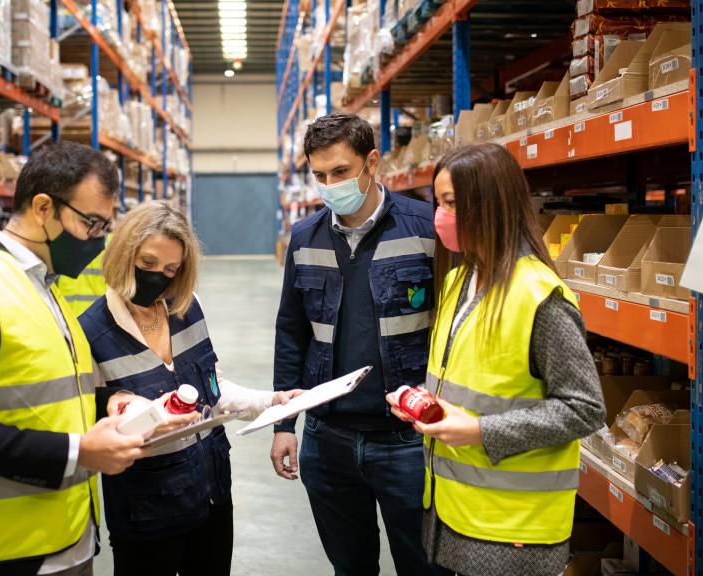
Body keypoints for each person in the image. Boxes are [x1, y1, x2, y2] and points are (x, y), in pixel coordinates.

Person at [0, 141, 149, 576]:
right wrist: (82, 452)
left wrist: (110, 404)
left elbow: (43, 398)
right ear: (43, 207)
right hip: (1, 551)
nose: (98, 241)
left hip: (66, 534)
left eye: (105, 226)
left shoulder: (44, 287)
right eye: (91, 223)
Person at [387, 143, 606, 576]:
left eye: (452, 203)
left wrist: (480, 430)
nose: (440, 217)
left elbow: (586, 408)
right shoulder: (457, 280)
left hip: (513, 527)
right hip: (454, 509)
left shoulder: (539, 296)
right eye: (438, 202)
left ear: (489, 204)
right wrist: (422, 403)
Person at [78, 201, 303, 576]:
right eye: (147, 264)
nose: (158, 278)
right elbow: (95, 426)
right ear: (123, 253)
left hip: (211, 494)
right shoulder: (91, 333)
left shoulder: (186, 307)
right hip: (148, 512)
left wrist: (272, 401)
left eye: (170, 270)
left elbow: (212, 391)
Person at [271, 112, 446, 576]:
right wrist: (284, 424)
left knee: (425, 566)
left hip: (408, 440)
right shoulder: (305, 237)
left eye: (341, 172)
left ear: (371, 163)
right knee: (350, 567)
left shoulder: (425, 229)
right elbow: (292, 330)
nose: (330, 186)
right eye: (320, 176)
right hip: (328, 440)